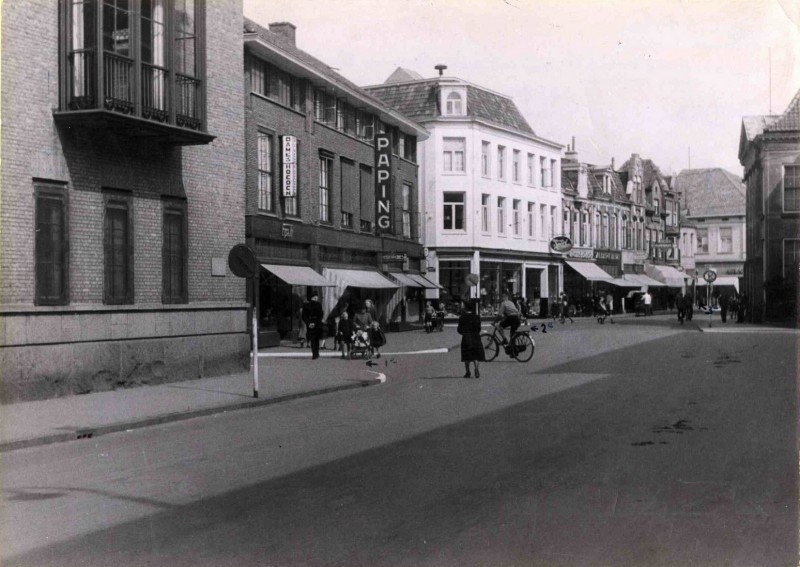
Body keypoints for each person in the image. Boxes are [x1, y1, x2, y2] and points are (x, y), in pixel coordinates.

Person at [457, 300, 485, 378]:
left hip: (466, 337)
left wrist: (463, 333)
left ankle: (468, 371)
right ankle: (476, 368)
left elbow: (459, 329)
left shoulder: (462, 317)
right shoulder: (476, 316)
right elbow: (479, 328)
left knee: (466, 355)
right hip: (476, 337)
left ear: (465, 308)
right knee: (476, 355)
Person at [302, 293, 324, 360]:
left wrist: (308, 323)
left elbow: (304, 316)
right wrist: (315, 322)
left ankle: (314, 354)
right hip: (317, 323)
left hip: (310, 323)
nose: (316, 299)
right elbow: (321, 315)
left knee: (312, 339)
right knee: (316, 339)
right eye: (316, 297)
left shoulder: (306, 305)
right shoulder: (318, 305)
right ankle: (316, 353)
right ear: (314, 297)